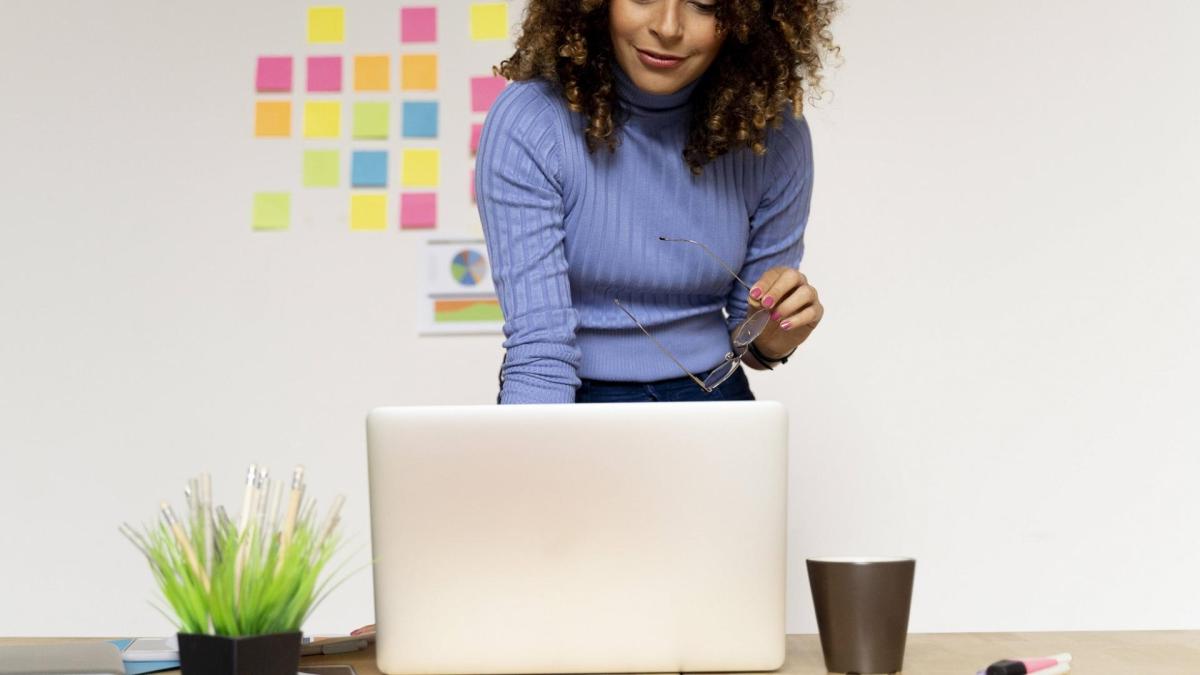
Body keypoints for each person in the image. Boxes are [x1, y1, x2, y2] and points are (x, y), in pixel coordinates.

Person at [477, 0, 838, 404]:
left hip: (712, 395)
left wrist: (774, 336)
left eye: (703, 4)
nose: (668, 27)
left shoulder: (771, 133)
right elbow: (540, 355)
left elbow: (748, 340)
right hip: (571, 395)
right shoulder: (531, 122)